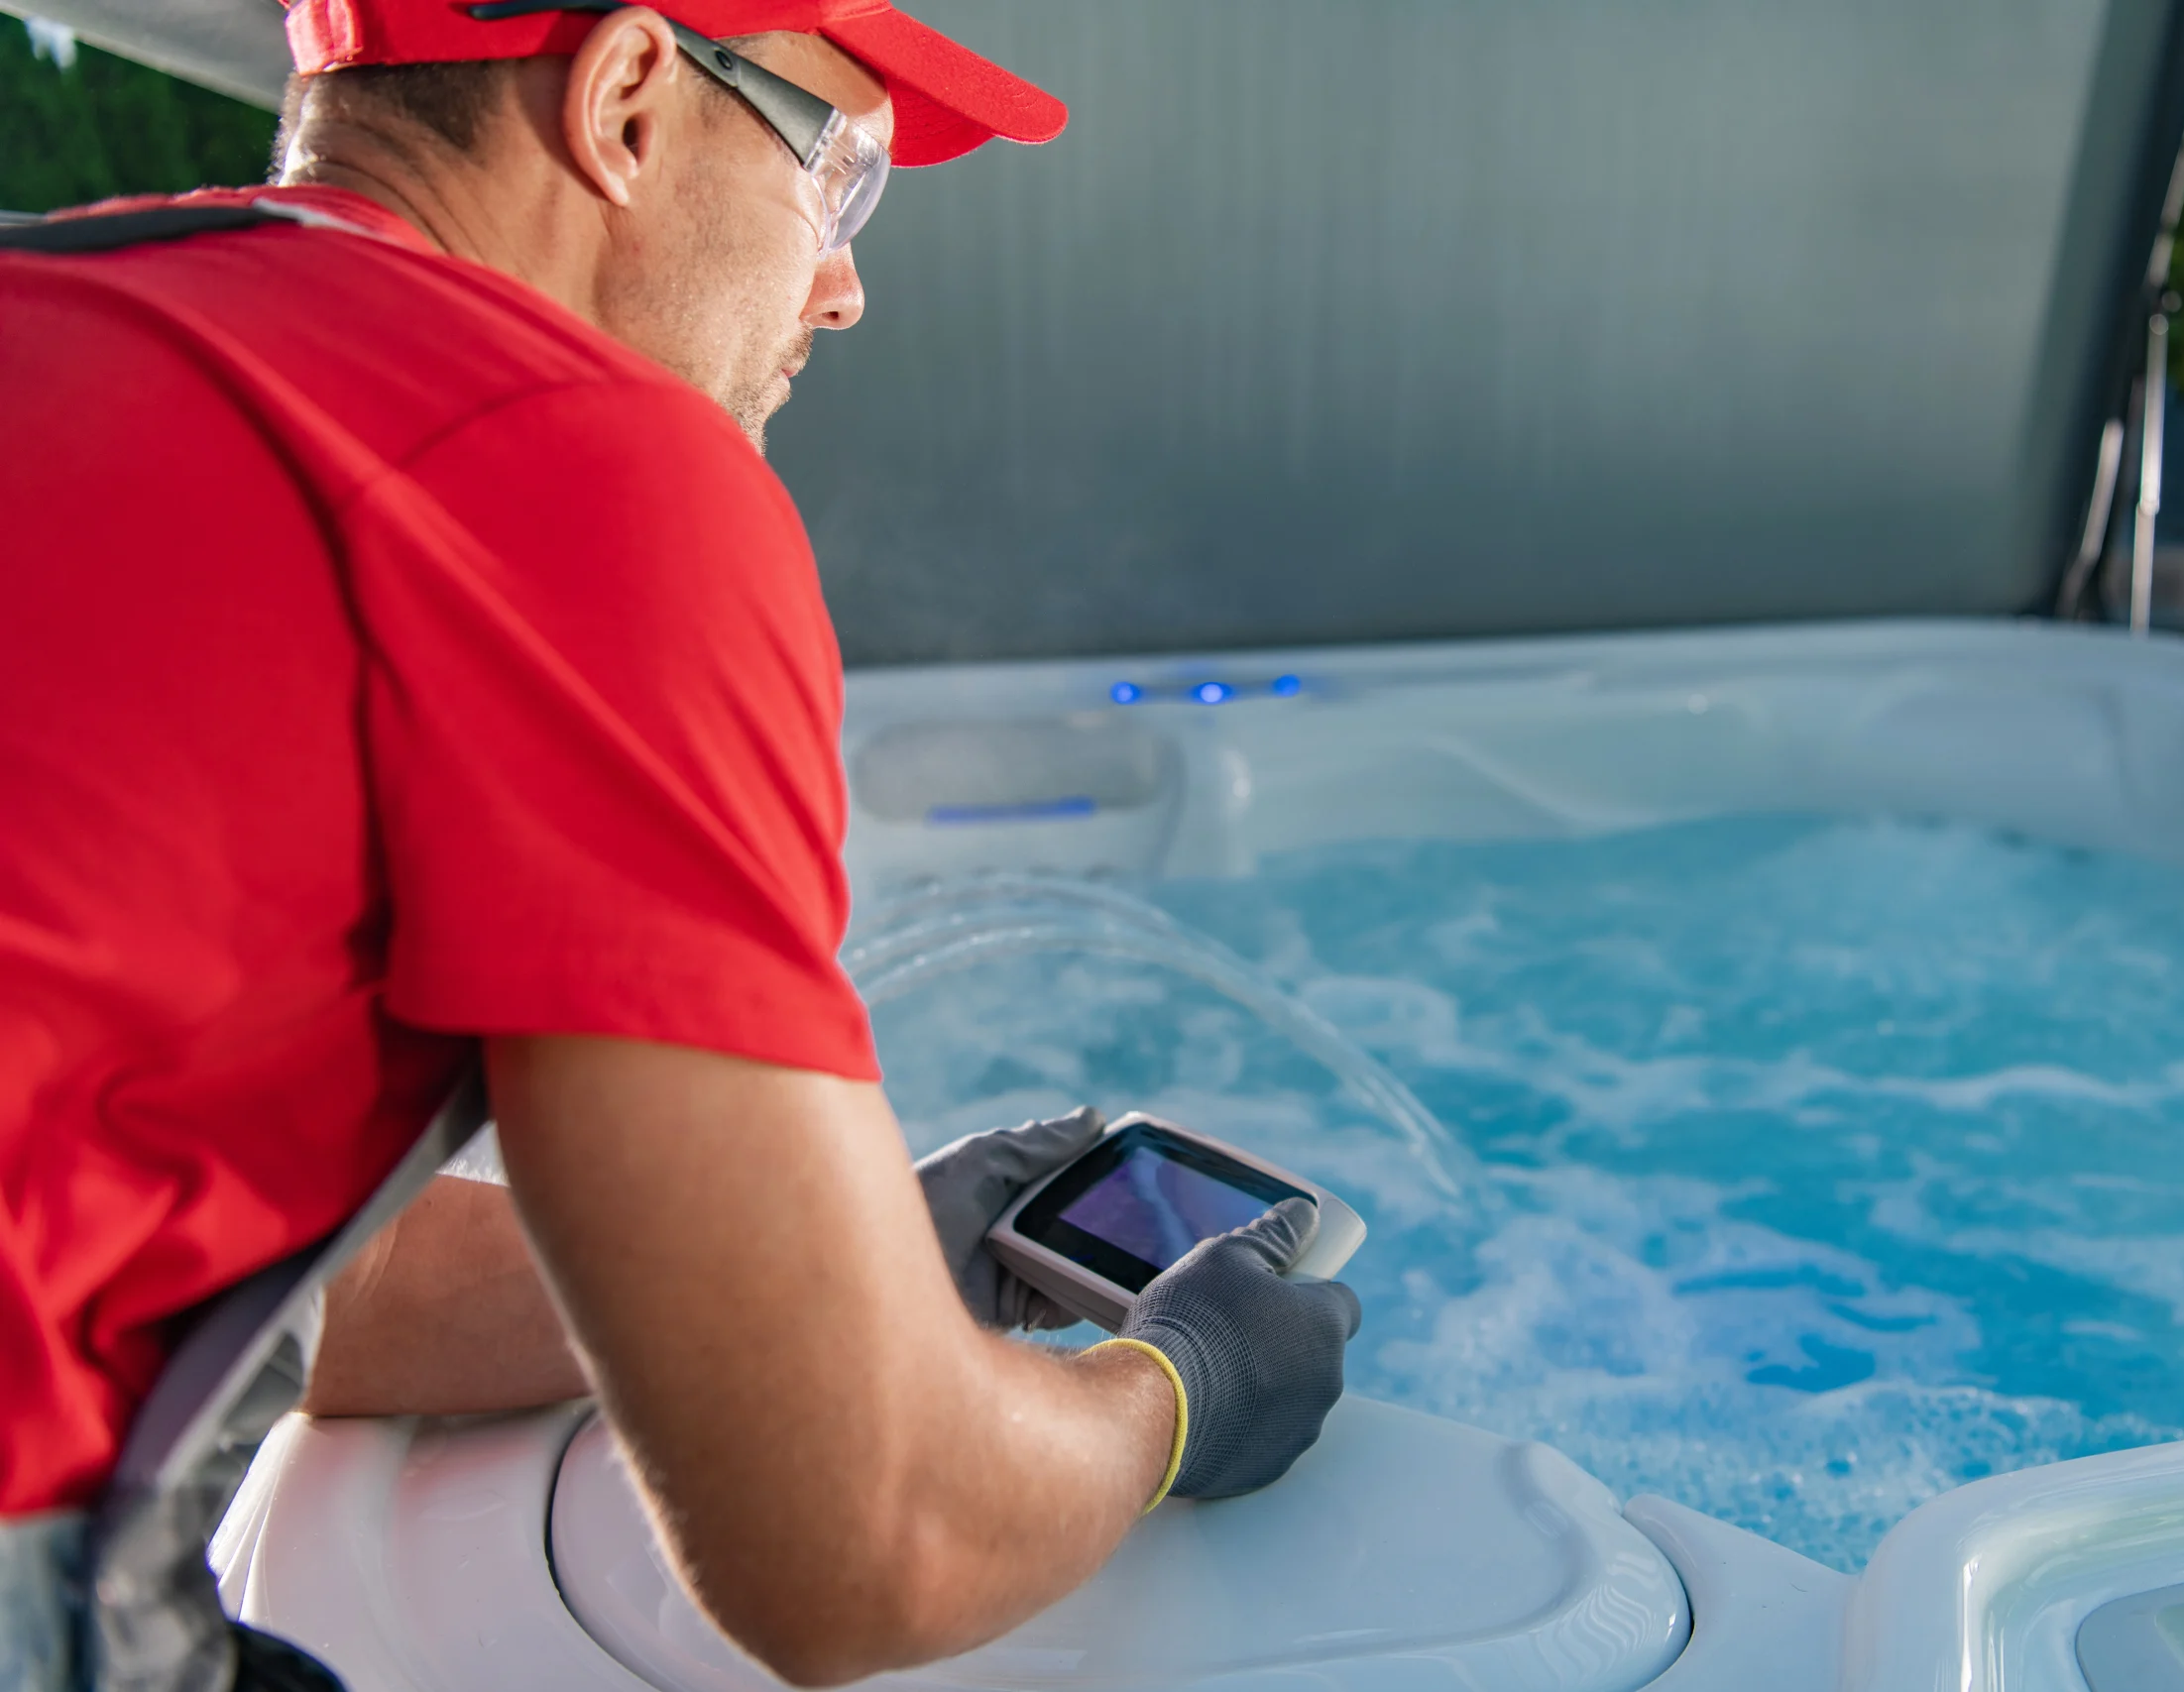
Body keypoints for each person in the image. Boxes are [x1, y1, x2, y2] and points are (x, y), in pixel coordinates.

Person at [0, 3, 1360, 1688]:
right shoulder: (566, 467)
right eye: (839, 173)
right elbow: (865, 1540)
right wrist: (1176, 1393)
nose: (846, 282)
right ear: (632, 97)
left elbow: (200, 1264)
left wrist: (826, 1262)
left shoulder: (57, 312)